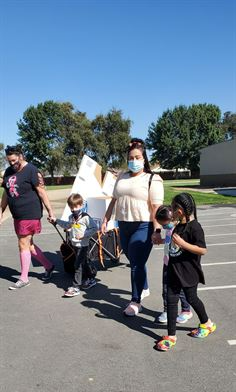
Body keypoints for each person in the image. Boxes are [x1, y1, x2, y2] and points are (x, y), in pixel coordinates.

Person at [101, 138, 164, 316]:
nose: (134, 161)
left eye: (137, 157)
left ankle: (136, 301)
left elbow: (156, 208)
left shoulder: (153, 179)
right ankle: (143, 286)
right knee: (134, 260)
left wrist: (158, 230)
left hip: (143, 226)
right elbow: (114, 199)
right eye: (131, 157)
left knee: (136, 263)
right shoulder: (122, 176)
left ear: (144, 158)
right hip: (123, 225)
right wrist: (106, 219)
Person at [156, 193, 216, 351]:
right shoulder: (177, 225)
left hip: (189, 272)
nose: (171, 210)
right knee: (171, 300)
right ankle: (171, 336)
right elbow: (173, 243)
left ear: (180, 211)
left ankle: (207, 323)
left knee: (192, 298)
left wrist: (183, 244)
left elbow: (202, 250)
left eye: (173, 207)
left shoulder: (195, 227)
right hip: (173, 270)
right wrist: (161, 241)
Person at [0, 145, 55, 290]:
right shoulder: (8, 171)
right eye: (9, 161)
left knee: (22, 243)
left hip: (30, 212)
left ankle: (24, 278)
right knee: (28, 244)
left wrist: (50, 211)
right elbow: (6, 193)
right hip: (17, 215)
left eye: (13, 160)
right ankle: (49, 266)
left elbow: (41, 191)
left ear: (21, 155)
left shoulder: (31, 170)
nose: (12, 163)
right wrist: (1, 211)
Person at [50, 193, 97, 297]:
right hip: (74, 244)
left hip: (83, 245)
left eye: (75, 206)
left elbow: (94, 228)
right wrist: (56, 221)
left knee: (78, 265)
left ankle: (75, 287)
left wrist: (84, 234)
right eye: (71, 207)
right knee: (83, 263)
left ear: (81, 205)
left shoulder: (86, 217)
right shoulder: (71, 217)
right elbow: (67, 225)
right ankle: (91, 278)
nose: (73, 209)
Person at [155, 205, 193, 324]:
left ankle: (186, 310)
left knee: (180, 289)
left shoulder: (179, 229)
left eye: (165, 224)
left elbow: (183, 245)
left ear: (173, 219)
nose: (164, 227)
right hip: (167, 262)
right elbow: (168, 240)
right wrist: (160, 241)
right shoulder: (169, 229)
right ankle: (167, 310)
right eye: (162, 225)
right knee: (166, 288)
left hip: (178, 264)